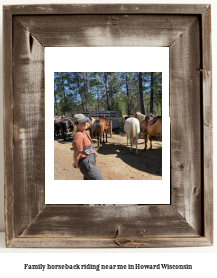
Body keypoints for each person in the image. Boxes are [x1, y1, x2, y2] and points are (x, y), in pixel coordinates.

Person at [72, 114, 103, 180]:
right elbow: (76, 155)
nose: (85, 123)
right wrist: (77, 164)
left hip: (91, 160)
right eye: (82, 122)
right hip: (87, 163)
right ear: (76, 124)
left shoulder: (86, 132)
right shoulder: (78, 136)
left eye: (85, 121)